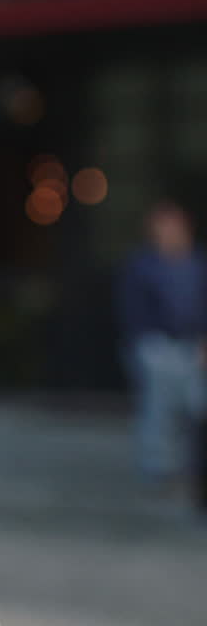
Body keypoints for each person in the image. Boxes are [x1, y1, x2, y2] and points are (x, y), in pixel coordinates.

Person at [118, 201, 207, 502]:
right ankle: (159, 472)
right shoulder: (142, 265)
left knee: (194, 409)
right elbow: (133, 311)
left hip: (192, 348)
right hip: (156, 346)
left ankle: (190, 470)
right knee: (157, 411)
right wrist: (145, 346)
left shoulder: (196, 263)